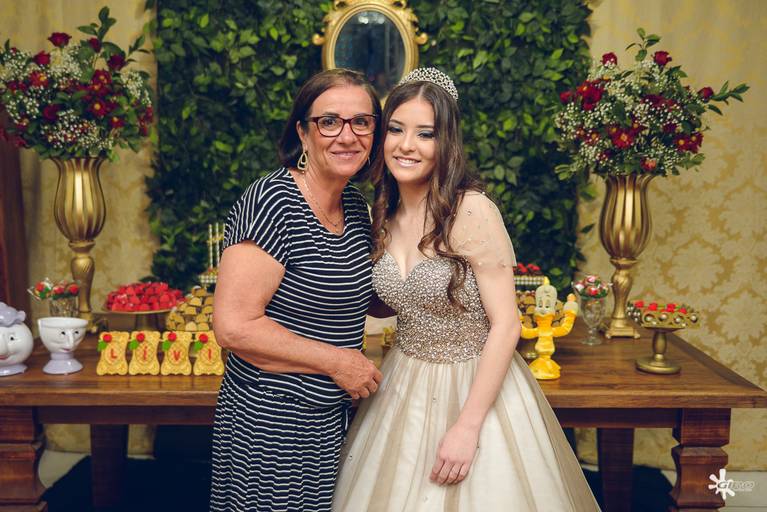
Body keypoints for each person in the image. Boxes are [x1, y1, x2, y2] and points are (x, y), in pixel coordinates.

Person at [333, 69, 600, 511]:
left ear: (446, 142)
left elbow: (507, 325)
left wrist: (467, 426)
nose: (406, 145)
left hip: (474, 383)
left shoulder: (470, 210)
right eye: (396, 129)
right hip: (403, 383)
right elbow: (384, 301)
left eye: (425, 133)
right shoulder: (382, 213)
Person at [210, 68, 384, 512]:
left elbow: (361, 297)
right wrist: (339, 362)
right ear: (303, 133)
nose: (347, 135)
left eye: (361, 122)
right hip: (272, 424)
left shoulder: (354, 206)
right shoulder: (272, 201)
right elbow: (233, 327)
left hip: (328, 419)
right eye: (329, 122)